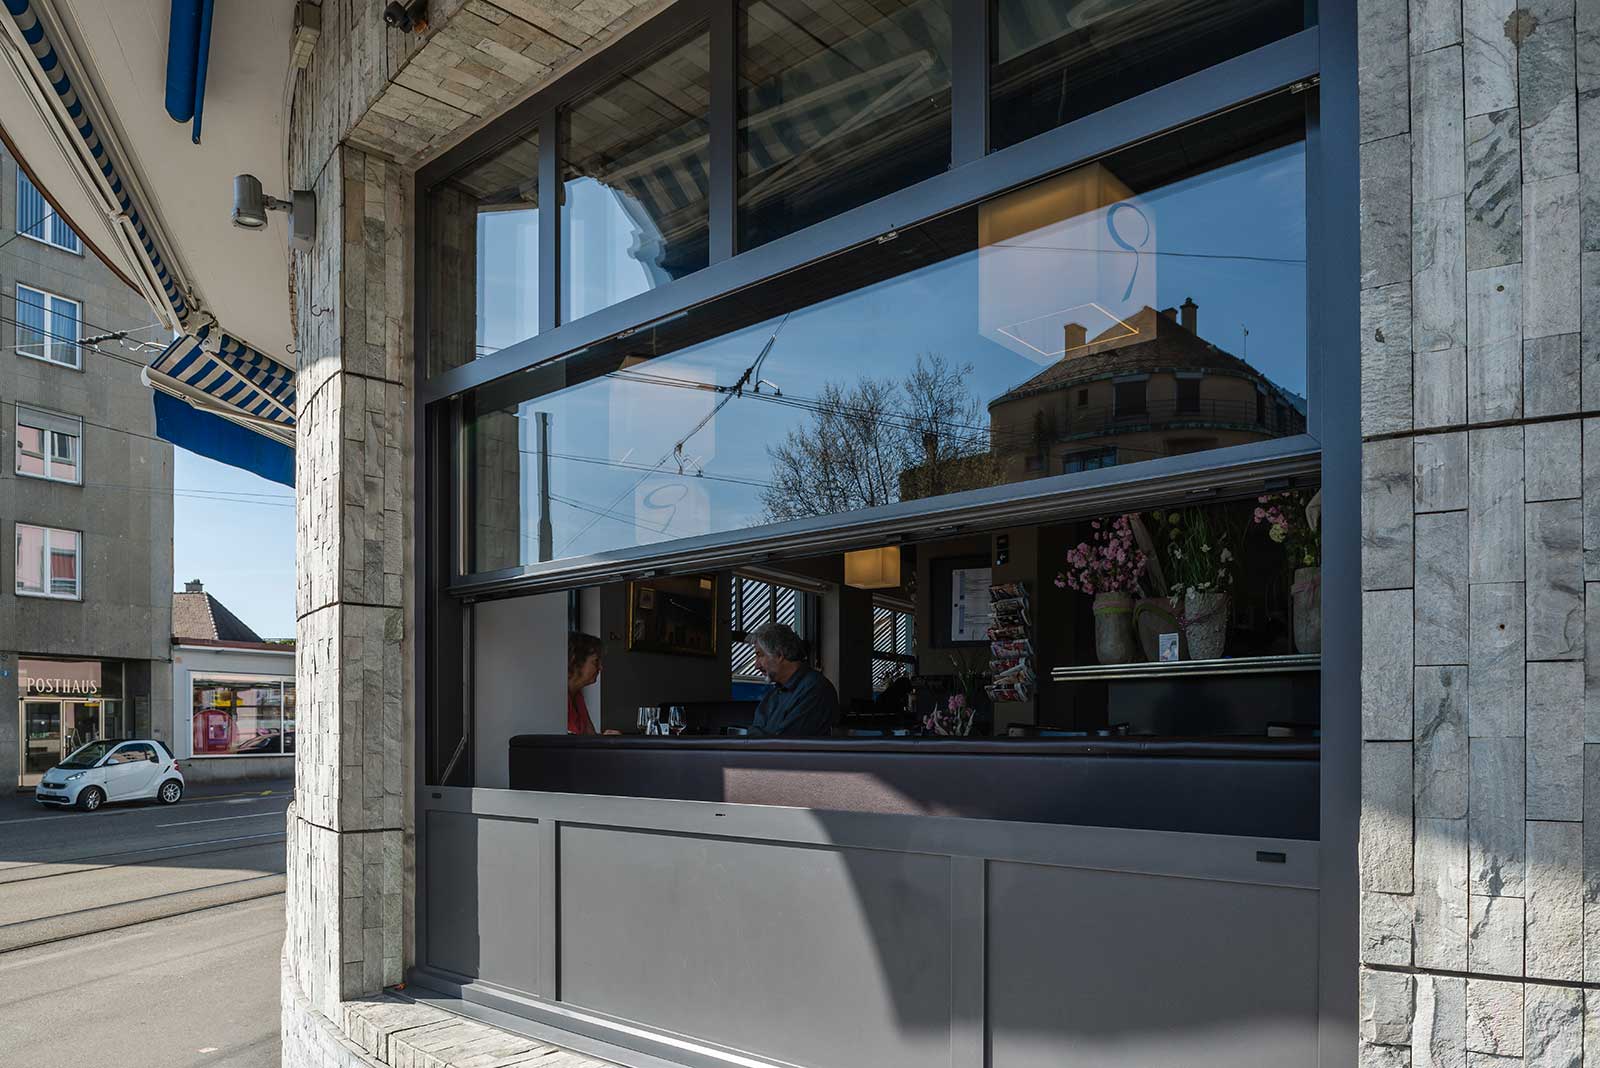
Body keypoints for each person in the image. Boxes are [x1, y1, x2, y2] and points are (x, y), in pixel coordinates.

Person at [747, 622, 839, 737]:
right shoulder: (775, 693)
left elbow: (786, 743)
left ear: (779, 655)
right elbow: (755, 735)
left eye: (759, 655)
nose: (756, 665)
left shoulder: (816, 690)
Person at [567, 632, 603, 735]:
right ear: (575, 661)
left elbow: (590, 737)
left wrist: (606, 739)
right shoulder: (558, 698)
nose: (601, 667)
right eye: (596, 662)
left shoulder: (577, 696)